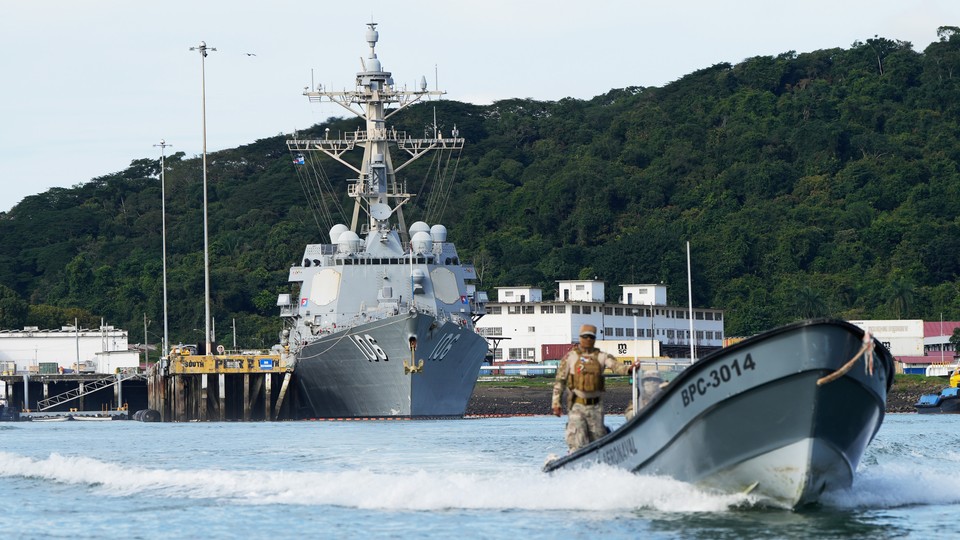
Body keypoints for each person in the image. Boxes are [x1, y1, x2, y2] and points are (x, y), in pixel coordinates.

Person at [552, 324, 638, 452]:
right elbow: (560, 381)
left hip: (596, 407)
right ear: (580, 337)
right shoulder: (571, 357)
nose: (587, 339)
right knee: (577, 441)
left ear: (594, 338)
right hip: (577, 406)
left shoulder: (601, 357)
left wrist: (630, 369)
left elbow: (616, 366)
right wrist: (556, 403)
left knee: (598, 442)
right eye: (585, 336)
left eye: (590, 337)